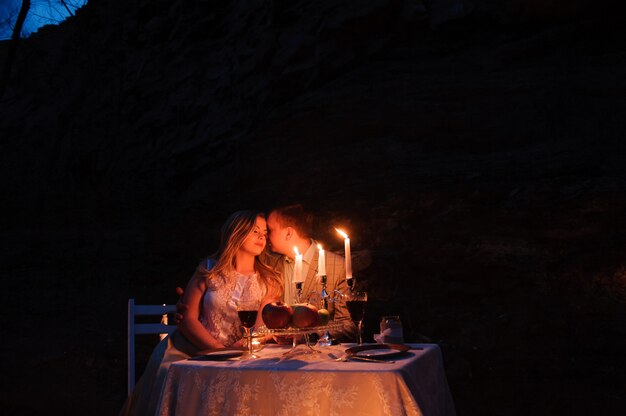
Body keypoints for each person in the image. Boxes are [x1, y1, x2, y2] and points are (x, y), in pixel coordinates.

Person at [121, 210, 282, 416]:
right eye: (254, 231)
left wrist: (238, 349)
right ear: (236, 233)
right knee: (170, 375)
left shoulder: (268, 279)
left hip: (242, 354)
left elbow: (259, 327)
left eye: (265, 232)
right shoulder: (209, 269)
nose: (262, 236)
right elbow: (187, 319)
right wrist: (218, 350)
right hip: (192, 347)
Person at [264, 204, 356, 342]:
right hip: (278, 355)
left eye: (270, 230)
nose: (266, 236)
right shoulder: (271, 266)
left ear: (288, 233)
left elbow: (349, 326)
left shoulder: (337, 266)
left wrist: (310, 336)